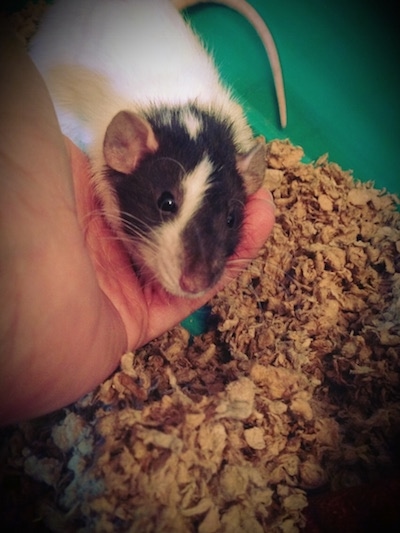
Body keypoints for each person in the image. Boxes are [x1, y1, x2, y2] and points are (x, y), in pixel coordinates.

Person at [0, 24, 275, 426]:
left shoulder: (230, 144)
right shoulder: (113, 144)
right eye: (167, 203)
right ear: (125, 150)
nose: (198, 276)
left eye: (230, 218)